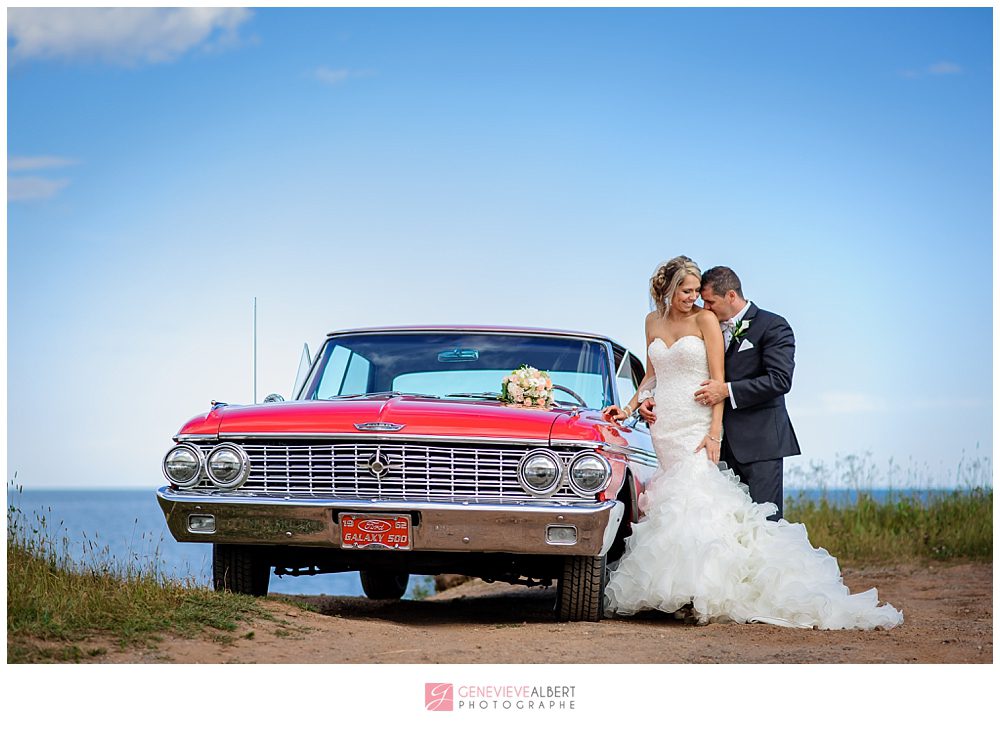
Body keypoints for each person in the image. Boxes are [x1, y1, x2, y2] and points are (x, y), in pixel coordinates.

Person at [602, 256, 902, 629]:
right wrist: (633, 405)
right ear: (668, 289)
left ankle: (756, 591)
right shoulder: (658, 321)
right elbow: (654, 373)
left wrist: (717, 419)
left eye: (704, 296)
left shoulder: (763, 326)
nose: (699, 302)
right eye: (691, 293)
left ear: (728, 295)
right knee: (693, 512)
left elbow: (769, 380)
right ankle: (684, 592)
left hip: (746, 436)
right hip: (672, 427)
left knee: (750, 519)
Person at [640, 266, 799, 520]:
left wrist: (726, 390)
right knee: (725, 523)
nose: (705, 306)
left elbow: (779, 380)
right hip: (717, 444)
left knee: (764, 523)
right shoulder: (708, 325)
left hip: (760, 443)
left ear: (731, 296)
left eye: (710, 301)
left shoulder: (772, 326)